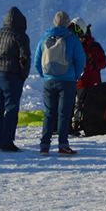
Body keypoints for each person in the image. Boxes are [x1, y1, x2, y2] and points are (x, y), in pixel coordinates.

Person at [32, 11, 86, 154]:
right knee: (64, 113)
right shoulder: (72, 39)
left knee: (49, 113)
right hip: (67, 81)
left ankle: (44, 145)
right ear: (68, 23)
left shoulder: (45, 37)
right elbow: (81, 60)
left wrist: (46, 75)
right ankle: (62, 145)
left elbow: (37, 61)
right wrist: (75, 76)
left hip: (49, 81)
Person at [0, 6, 31, 152]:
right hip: (12, 75)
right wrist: (23, 75)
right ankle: (7, 142)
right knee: (11, 108)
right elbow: (24, 58)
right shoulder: (20, 36)